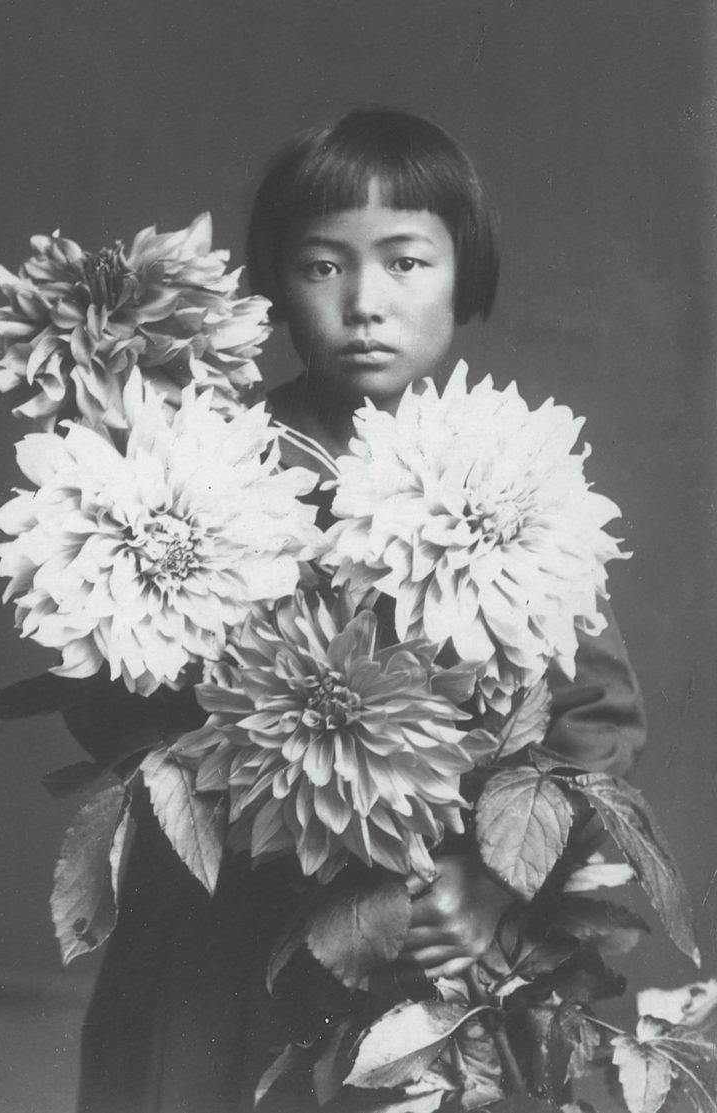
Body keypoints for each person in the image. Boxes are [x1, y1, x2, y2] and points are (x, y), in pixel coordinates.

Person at [77, 107, 646, 1113]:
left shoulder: (515, 476)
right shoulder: (206, 461)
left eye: (405, 263)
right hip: (231, 931)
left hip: (425, 937)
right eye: (323, 265)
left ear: (465, 275)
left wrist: (489, 886)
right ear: (273, 285)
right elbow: (117, 700)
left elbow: (592, 724)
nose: (364, 304)